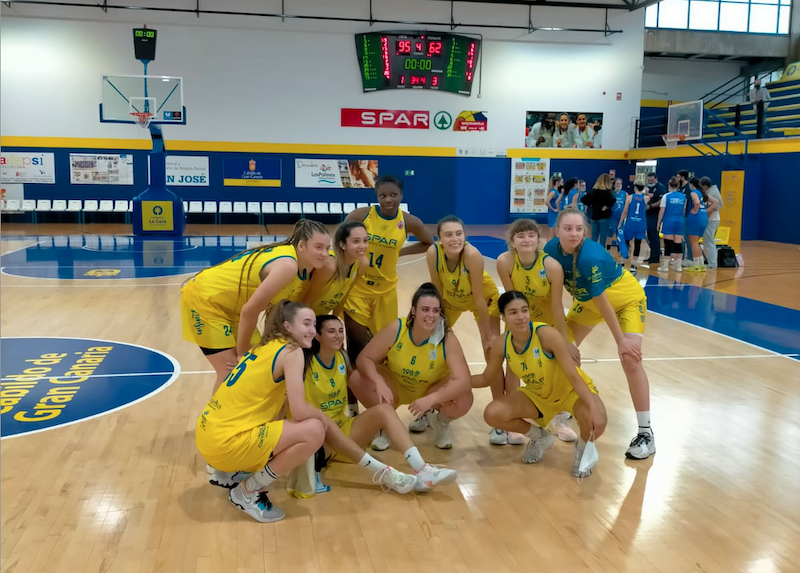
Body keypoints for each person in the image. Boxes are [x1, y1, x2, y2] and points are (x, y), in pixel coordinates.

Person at [195, 301, 419, 523]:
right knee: (313, 430)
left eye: (314, 324)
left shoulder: (265, 348)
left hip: (208, 435)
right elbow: (301, 411)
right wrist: (322, 418)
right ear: (287, 327)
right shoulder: (292, 352)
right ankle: (248, 491)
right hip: (225, 443)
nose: (312, 330)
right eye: (306, 324)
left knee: (296, 424)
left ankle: (234, 473)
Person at [544, 207, 656, 460]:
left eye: (579, 229)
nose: (574, 234)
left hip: (625, 300)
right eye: (568, 228)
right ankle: (563, 411)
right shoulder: (550, 251)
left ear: (585, 231)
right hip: (588, 304)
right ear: (557, 230)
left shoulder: (589, 256)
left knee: (630, 358)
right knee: (561, 351)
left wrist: (621, 342)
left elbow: (603, 300)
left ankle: (646, 433)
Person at [305, 315, 457, 492]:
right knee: (323, 429)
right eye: (331, 331)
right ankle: (389, 474)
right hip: (320, 436)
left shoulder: (341, 358)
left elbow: (354, 383)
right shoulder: (304, 362)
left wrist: (380, 382)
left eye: (340, 331)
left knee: (385, 410)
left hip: (343, 429)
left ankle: (422, 468)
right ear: (317, 336)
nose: (338, 336)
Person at [181, 219, 330, 394]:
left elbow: (270, 310)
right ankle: (215, 420)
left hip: (233, 308)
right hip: (205, 300)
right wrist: (242, 353)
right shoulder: (288, 266)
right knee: (231, 372)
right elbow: (250, 311)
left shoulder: (306, 268)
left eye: (327, 248)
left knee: (260, 365)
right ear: (302, 245)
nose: (324, 253)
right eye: (318, 247)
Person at [473, 291, 607, 477]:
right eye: (513, 312)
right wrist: (453, 382)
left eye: (524, 310)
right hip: (538, 395)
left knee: (597, 420)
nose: (520, 317)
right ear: (503, 317)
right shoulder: (501, 343)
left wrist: (592, 407)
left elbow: (573, 376)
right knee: (493, 413)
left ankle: (583, 450)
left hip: (570, 392)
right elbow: (486, 378)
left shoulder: (547, 335)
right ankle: (540, 437)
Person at [343, 175, 435, 416]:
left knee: (383, 353)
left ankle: (382, 405)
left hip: (385, 293)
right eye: (383, 195)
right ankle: (352, 406)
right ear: (376, 196)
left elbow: (428, 242)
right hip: (357, 291)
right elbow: (340, 241)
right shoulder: (360, 216)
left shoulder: (408, 221)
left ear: (401, 196)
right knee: (356, 348)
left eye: (393, 195)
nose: (388, 199)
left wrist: (400, 254)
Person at [348, 283, 473, 450]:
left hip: (430, 389)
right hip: (395, 384)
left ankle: (440, 422)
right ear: (414, 310)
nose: (431, 315)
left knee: (464, 397)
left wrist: (432, 399)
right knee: (357, 379)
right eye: (425, 309)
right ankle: (386, 423)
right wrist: (378, 382)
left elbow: (464, 381)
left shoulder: (447, 338)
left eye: (436, 311)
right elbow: (364, 358)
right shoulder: (397, 328)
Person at [495, 218, 578, 444]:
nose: (526, 240)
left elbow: (556, 306)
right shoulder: (504, 261)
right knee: (513, 366)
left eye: (531, 235)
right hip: (521, 321)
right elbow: (510, 302)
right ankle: (514, 419)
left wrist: (565, 341)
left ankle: (557, 416)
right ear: (512, 242)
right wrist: (508, 335)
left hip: (548, 323)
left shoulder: (551, 266)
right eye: (520, 236)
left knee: (560, 366)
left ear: (539, 240)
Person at [426, 215, 500, 357]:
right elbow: (438, 293)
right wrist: (436, 324)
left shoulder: (472, 255)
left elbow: (479, 299)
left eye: (459, 234)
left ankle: (494, 378)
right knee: (432, 338)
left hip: (484, 300)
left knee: (490, 346)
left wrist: (489, 336)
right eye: (448, 235)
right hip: (453, 301)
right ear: (439, 239)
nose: (455, 239)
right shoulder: (433, 253)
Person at [302, 221, 368, 316]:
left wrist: (336, 320)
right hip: (303, 314)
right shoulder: (330, 265)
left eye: (365, 241)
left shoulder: (362, 264)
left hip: (321, 316)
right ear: (342, 245)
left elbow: (343, 296)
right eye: (356, 241)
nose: (362, 246)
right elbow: (306, 301)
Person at [685, 177, 716, 272]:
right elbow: (715, 202)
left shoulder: (694, 192)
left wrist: (694, 210)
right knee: (696, 243)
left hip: (696, 218)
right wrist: (705, 211)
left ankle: (697, 265)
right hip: (703, 218)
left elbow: (697, 202)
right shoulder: (703, 193)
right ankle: (700, 264)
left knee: (693, 243)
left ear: (691, 184)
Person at [656, 177, 687, 273]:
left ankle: (665, 266)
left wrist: (658, 223)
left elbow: (662, 210)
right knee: (678, 244)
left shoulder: (666, 196)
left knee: (668, 244)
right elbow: (684, 211)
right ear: (678, 186)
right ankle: (678, 267)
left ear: (669, 185)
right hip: (680, 221)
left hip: (669, 221)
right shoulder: (683, 197)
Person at [618, 183, 649, 274]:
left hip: (630, 223)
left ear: (635, 187)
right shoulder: (646, 198)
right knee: (638, 244)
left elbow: (625, 212)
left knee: (626, 243)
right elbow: (646, 199)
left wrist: (620, 222)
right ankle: (633, 266)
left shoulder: (630, 197)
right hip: (641, 224)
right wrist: (646, 192)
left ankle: (623, 263)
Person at [581, 173, 615, 242]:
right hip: (604, 217)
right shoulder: (608, 191)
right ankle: (601, 252)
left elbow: (583, 199)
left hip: (594, 216)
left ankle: (593, 252)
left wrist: (591, 204)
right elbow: (613, 199)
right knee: (603, 238)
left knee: (594, 238)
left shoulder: (594, 191)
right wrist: (607, 206)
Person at [699, 176, 723, 269]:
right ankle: (710, 261)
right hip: (712, 220)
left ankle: (712, 263)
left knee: (709, 242)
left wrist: (705, 217)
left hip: (711, 220)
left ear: (705, 186)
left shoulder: (712, 193)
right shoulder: (711, 191)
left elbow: (713, 208)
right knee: (708, 241)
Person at [645, 172, 667, 266]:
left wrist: (650, 206)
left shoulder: (660, 187)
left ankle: (655, 257)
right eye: (649, 180)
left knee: (654, 235)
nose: (650, 182)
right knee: (650, 235)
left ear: (656, 179)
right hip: (648, 213)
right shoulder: (647, 188)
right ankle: (652, 255)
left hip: (656, 213)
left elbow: (661, 201)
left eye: (652, 180)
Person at [607, 178, 627, 256]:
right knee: (611, 232)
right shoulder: (611, 193)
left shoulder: (624, 194)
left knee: (620, 233)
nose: (619, 185)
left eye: (620, 184)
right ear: (614, 185)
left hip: (621, 217)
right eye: (617, 184)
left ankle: (620, 251)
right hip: (612, 216)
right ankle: (608, 250)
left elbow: (627, 204)